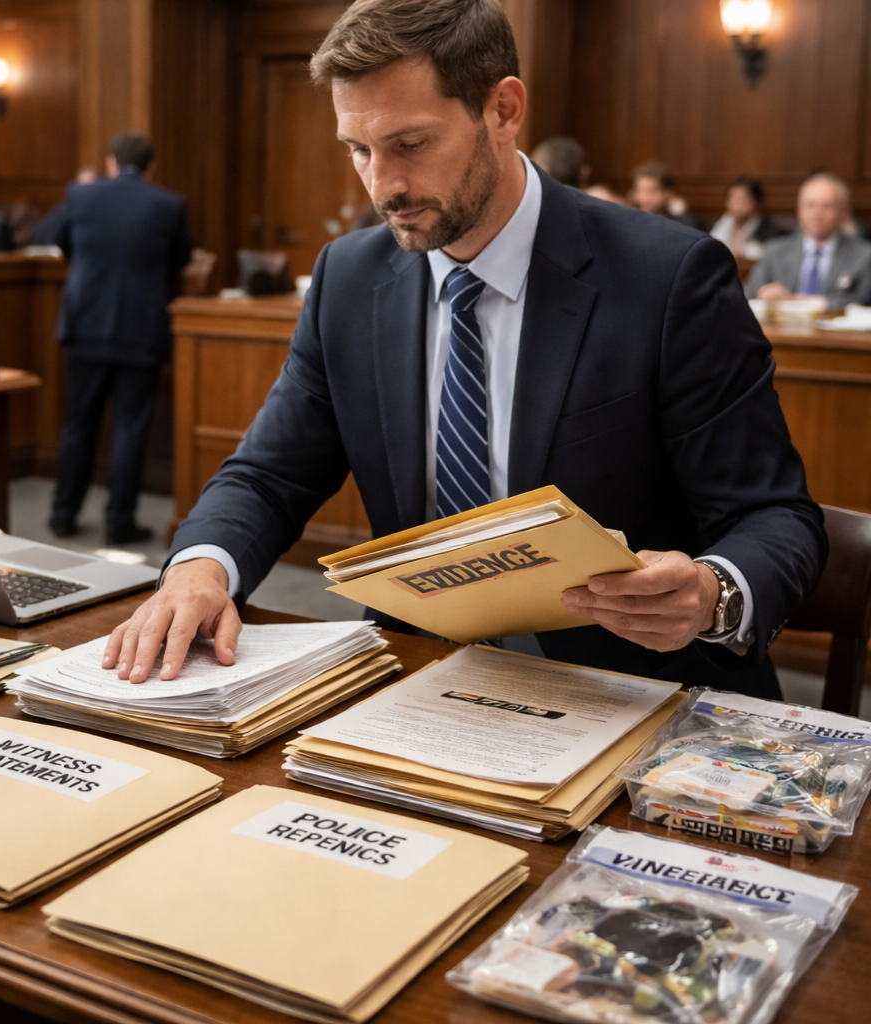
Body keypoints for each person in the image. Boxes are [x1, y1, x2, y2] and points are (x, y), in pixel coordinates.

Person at [104, 0, 825, 701]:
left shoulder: (667, 277)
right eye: (359, 150)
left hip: (631, 691)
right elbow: (267, 476)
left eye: (410, 144)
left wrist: (712, 592)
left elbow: (776, 517)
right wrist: (199, 571)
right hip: (420, 680)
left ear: (504, 110)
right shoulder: (349, 279)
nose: (383, 186)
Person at [50, 133, 192, 546]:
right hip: (140, 330)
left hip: (87, 326)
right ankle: (119, 522)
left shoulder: (81, 195)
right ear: (151, 168)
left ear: (111, 162)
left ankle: (62, 514)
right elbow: (181, 257)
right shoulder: (168, 204)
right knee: (129, 429)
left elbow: (61, 241)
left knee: (79, 423)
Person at [745, 173, 871, 309]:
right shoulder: (775, 252)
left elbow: (861, 301)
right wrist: (762, 294)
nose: (817, 213)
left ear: (843, 211)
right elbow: (747, 294)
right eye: (810, 205)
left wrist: (807, 303)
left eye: (827, 206)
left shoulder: (864, 256)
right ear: (799, 210)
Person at [708, 175, 784, 260]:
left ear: (756, 202)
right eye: (732, 198)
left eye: (742, 199)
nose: (736, 204)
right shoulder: (714, 227)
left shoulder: (771, 233)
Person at [31, 167, 98, 247]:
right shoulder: (61, 213)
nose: (86, 191)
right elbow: (42, 234)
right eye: (83, 186)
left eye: (91, 186)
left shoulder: (100, 215)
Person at [629, 162, 697, 228]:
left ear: (668, 193)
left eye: (651, 191)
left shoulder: (681, 225)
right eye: (639, 190)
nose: (643, 198)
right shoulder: (630, 223)